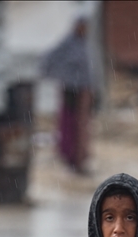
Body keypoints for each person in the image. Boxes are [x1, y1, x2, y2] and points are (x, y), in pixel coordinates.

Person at [41, 18, 93, 174]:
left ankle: (80, 159)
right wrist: (62, 75)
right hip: (71, 88)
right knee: (70, 122)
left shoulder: (89, 45)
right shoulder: (68, 44)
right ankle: (70, 157)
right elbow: (47, 61)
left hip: (84, 90)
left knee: (83, 124)